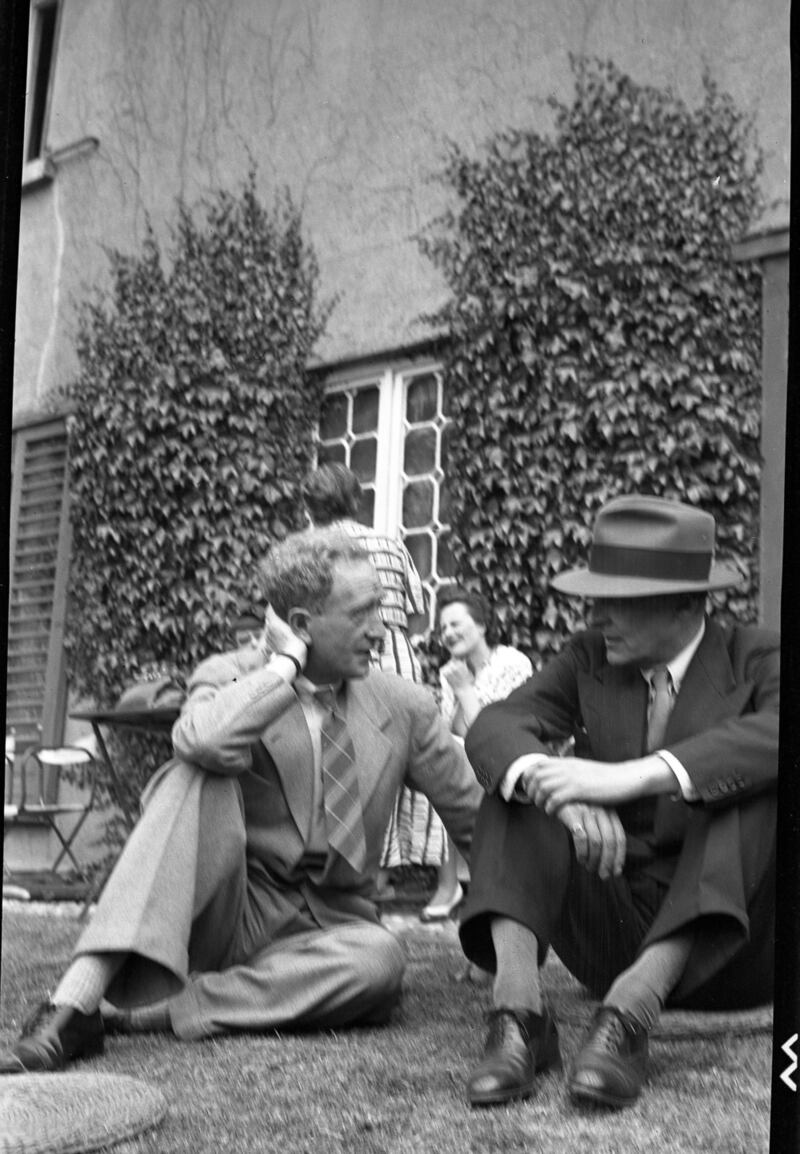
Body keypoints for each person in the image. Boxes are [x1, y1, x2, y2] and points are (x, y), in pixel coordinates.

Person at [1, 527, 483, 1074]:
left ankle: (156, 1010)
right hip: (234, 917)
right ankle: (74, 1003)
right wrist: (284, 669)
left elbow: (474, 817)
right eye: (362, 613)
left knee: (381, 962)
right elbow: (199, 739)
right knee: (194, 773)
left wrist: (504, 941)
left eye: (381, 609)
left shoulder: (404, 705)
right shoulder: (230, 677)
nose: (380, 629)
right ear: (301, 625)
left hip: (334, 934)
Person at [458, 495, 778, 1110]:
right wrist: (560, 791)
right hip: (613, 927)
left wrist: (632, 777)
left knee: (749, 786)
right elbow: (496, 725)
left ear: (689, 603)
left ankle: (629, 1019)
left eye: (620, 601)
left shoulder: (756, 656)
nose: (599, 617)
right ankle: (519, 1015)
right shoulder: (589, 657)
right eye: (596, 600)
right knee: (518, 780)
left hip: (727, 947)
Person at [301, 463, 446, 888]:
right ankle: (417, 872)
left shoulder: (307, 548)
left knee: (341, 762)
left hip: (338, 660)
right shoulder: (389, 543)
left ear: (310, 506)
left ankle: (359, 874)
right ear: (355, 499)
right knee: (403, 761)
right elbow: (418, 614)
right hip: (396, 655)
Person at [421, 585, 533, 921]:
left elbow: (492, 736)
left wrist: (464, 689)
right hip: (469, 762)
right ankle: (449, 882)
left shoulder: (512, 663)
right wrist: (457, 686)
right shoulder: (450, 671)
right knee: (430, 763)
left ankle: (457, 884)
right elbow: (450, 731)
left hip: (506, 765)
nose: (448, 634)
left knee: (438, 767)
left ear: (482, 625)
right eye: (443, 629)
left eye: (456, 624)